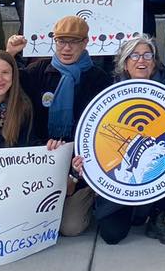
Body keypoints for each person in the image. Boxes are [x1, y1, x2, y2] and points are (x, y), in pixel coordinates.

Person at [82, 34, 165, 246]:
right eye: (134, 56)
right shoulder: (108, 97)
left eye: (147, 55)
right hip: (121, 179)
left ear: (154, 63)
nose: (141, 60)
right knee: (112, 235)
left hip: (156, 169)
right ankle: (132, 209)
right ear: (125, 63)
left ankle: (158, 217)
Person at [17, 16, 112, 237]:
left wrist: (76, 173)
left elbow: (103, 134)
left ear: (86, 43)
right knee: (26, 219)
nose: (66, 48)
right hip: (43, 159)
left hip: (80, 166)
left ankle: (89, 194)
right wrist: (11, 52)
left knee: (70, 227)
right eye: (61, 41)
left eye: (74, 42)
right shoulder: (37, 72)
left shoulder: (99, 79)